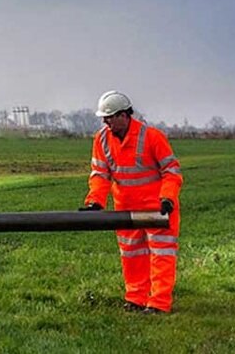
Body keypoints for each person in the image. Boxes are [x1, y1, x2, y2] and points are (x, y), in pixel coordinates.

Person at [79, 90, 183, 313]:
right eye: (103, 118)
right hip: (125, 210)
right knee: (131, 255)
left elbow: (171, 172)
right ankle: (136, 299)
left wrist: (167, 198)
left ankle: (159, 303)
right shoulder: (102, 139)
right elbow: (100, 174)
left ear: (124, 115)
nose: (106, 122)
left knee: (161, 256)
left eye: (109, 117)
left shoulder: (152, 137)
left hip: (158, 209)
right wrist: (95, 202)